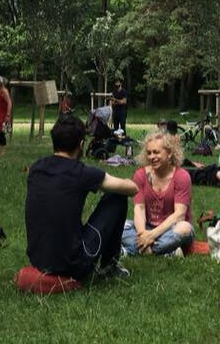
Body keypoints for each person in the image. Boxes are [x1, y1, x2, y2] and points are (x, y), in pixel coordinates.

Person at [25, 114, 137, 281]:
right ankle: (109, 266)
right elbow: (131, 189)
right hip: (74, 265)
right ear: (81, 144)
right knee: (117, 196)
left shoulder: (36, 168)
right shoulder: (81, 172)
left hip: (38, 261)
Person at [121, 132, 194, 257]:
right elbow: (139, 209)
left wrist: (152, 235)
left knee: (185, 228)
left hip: (171, 229)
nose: (152, 157)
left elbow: (179, 215)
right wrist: (143, 235)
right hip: (147, 228)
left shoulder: (182, 176)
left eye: (156, 152)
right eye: (149, 153)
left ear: (169, 153)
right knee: (118, 225)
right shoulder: (140, 175)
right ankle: (165, 252)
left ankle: (132, 250)